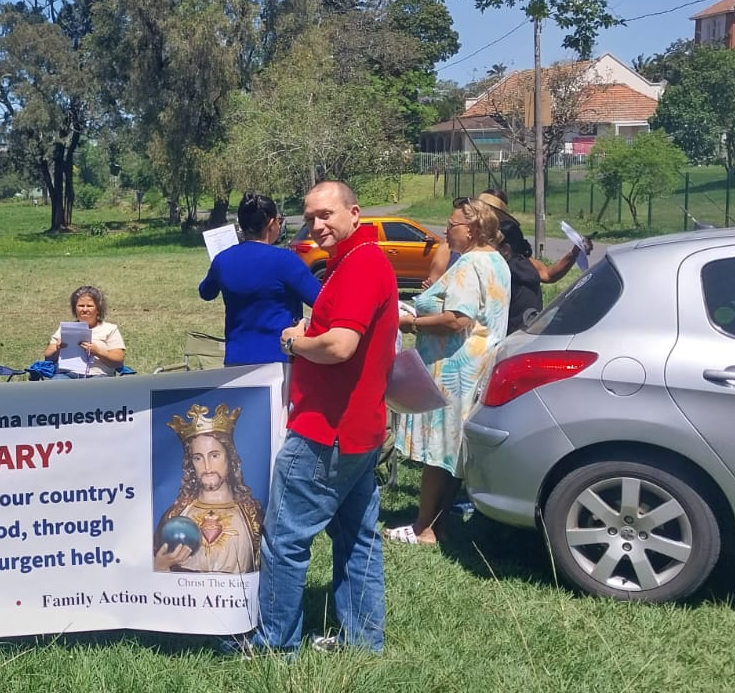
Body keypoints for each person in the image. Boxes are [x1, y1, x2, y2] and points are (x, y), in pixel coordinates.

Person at [248, 181, 397, 655]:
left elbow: (340, 345)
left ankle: (275, 643)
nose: (316, 225)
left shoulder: (360, 265)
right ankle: (363, 643)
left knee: (284, 540)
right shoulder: (355, 262)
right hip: (359, 429)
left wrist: (294, 342)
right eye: (310, 216)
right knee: (358, 538)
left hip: (325, 430)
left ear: (354, 213)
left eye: (326, 214)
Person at [388, 199, 511, 546]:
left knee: (439, 450)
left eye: (451, 225)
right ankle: (436, 524)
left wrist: (411, 323)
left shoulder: (470, 263)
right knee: (452, 452)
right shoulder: (497, 260)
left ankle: (423, 528)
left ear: (472, 229)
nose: (445, 231)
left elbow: (458, 319)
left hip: (455, 369)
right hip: (478, 365)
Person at [199, 193, 322, 365]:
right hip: (279, 360)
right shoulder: (285, 260)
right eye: (279, 220)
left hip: (236, 359)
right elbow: (321, 301)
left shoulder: (222, 259)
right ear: (271, 223)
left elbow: (206, 292)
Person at [154, 404, 263, 574]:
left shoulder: (252, 515)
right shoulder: (175, 516)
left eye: (214, 455)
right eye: (198, 458)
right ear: (191, 463)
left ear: (230, 458)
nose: (207, 466)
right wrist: (160, 565)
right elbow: (152, 573)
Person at [476, 191, 591, 333]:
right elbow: (548, 275)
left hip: (510, 334)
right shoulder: (518, 260)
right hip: (527, 331)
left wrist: (575, 251)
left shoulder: (503, 256)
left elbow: (548, 274)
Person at [43, 286, 126, 377]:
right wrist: (57, 348)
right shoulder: (66, 328)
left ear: (98, 309)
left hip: (99, 375)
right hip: (67, 374)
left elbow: (118, 361)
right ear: (75, 309)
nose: (85, 310)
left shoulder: (110, 329)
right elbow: (48, 357)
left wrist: (98, 352)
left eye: (89, 306)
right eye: (81, 306)